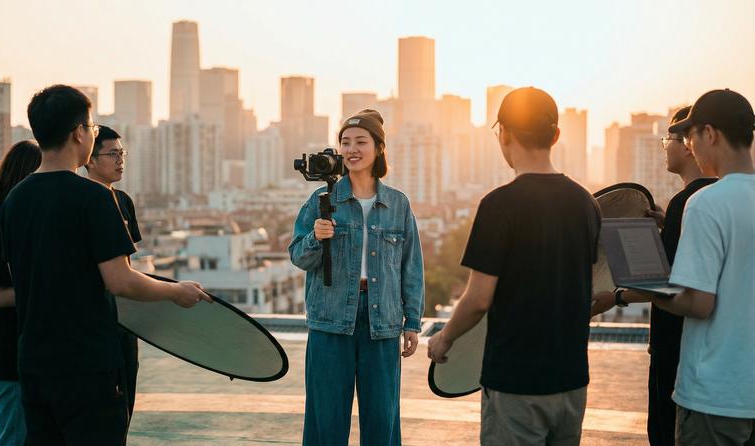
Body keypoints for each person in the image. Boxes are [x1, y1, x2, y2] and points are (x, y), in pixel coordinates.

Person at [0, 85, 211, 446]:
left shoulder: (16, 199)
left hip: (33, 359)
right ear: (78, 133)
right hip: (87, 363)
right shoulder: (95, 198)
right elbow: (120, 280)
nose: (94, 131)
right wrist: (176, 292)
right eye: (93, 125)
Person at [427, 87, 601, 446]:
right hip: (571, 382)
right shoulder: (586, 203)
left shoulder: (499, 206)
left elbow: (478, 299)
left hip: (516, 383)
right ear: (555, 135)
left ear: (503, 134)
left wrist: (445, 338)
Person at [289, 109, 424, 445]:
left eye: (361, 141)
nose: (352, 149)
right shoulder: (323, 201)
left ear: (378, 148)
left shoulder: (397, 204)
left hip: (383, 321)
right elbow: (298, 256)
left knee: (383, 421)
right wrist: (315, 238)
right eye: (345, 142)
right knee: (325, 422)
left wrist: (412, 322)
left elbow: (411, 266)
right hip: (330, 320)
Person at [591, 106, 716, 446]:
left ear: (690, 144)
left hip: (675, 347)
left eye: (670, 140)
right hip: (708, 355)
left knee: (665, 434)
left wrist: (613, 298)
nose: (666, 147)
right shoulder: (710, 199)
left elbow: (667, 283)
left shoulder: (686, 203)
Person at [652, 89, 755, 445]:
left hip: (715, 398)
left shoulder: (705, 203)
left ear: (709, 134)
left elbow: (698, 302)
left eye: (691, 136)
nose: (690, 146)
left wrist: (653, 289)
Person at [0, 140, 42, 446]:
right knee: (14, 437)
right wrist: (55, 287)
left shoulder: (22, 226)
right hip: (11, 350)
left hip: (30, 348)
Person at [84, 125, 142, 425]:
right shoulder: (81, 200)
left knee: (125, 404)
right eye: (112, 154)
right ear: (90, 159)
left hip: (123, 320)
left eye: (122, 153)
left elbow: (127, 266)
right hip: (94, 322)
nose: (120, 160)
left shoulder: (123, 201)